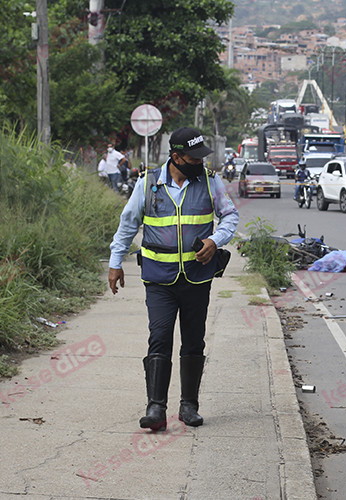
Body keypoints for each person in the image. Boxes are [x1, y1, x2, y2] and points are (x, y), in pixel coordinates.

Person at [107, 127, 239, 431]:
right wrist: (116, 263)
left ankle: (189, 406)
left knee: (194, 340)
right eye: (193, 158)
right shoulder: (148, 183)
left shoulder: (209, 180)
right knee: (160, 336)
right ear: (177, 157)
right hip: (159, 278)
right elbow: (128, 225)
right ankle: (156, 408)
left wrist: (215, 240)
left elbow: (230, 216)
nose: (199, 163)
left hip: (196, 277)